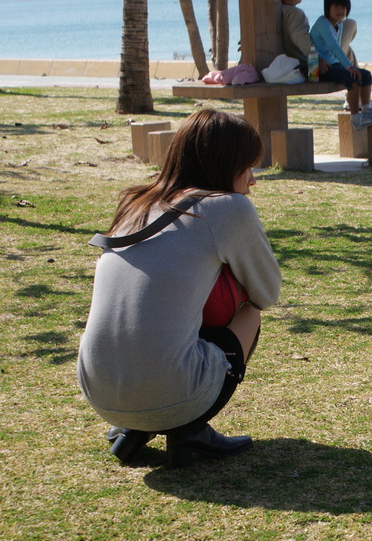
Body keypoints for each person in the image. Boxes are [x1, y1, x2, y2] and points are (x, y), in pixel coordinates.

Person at [77, 109, 282, 468]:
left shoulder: (136, 202)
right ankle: (189, 429)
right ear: (223, 164)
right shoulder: (227, 207)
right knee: (248, 310)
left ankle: (136, 428)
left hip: (100, 392)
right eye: (247, 166)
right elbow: (267, 293)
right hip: (174, 393)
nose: (252, 180)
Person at [310, 0, 372, 130]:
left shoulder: (340, 25)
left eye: (343, 7)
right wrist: (349, 66)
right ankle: (356, 119)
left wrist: (349, 67)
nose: (340, 11)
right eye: (336, 6)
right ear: (328, 8)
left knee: (365, 75)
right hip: (320, 67)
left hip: (334, 64)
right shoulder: (323, 23)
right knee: (353, 79)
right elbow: (334, 47)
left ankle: (366, 108)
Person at [279, 0, 315, 76]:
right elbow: (304, 43)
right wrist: (317, 61)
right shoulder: (295, 13)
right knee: (347, 25)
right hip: (303, 67)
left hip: (285, 66)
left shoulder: (281, 11)